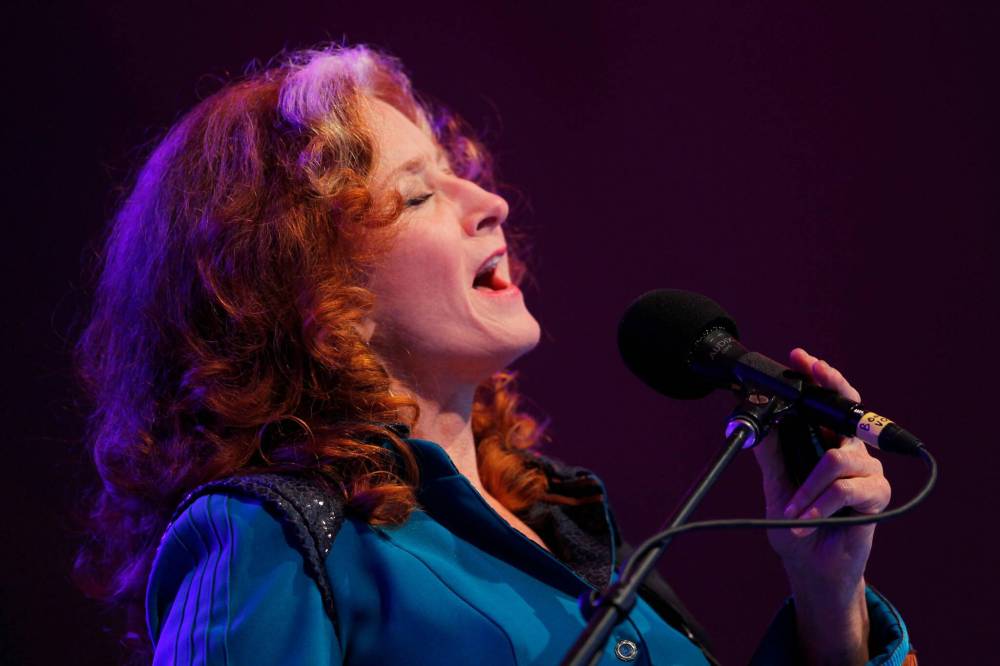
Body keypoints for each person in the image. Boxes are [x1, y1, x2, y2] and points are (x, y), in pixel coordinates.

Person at [74, 44, 915, 665]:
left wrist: (825, 593)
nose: (492, 202)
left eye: (458, 173)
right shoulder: (276, 536)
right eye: (415, 194)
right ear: (310, 294)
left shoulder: (568, 538)